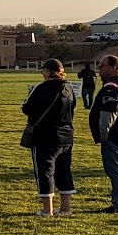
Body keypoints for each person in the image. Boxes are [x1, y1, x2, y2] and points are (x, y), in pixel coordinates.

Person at [20, 59, 77, 217]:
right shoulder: (69, 88)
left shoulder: (41, 88)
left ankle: (47, 210)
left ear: (47, 72)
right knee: (64, 171)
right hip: (66, 135)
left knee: (45, 172)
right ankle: (65, 209)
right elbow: (73, 107)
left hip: (45, 136)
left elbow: (27, 108)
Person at [88, 54, 118, 214]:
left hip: (115, 134)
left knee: (116, 170)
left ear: (114, 67)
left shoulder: (112, 86)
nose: (99, 69)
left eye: (102, 66)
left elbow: (109, 113)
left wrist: (103, 133)